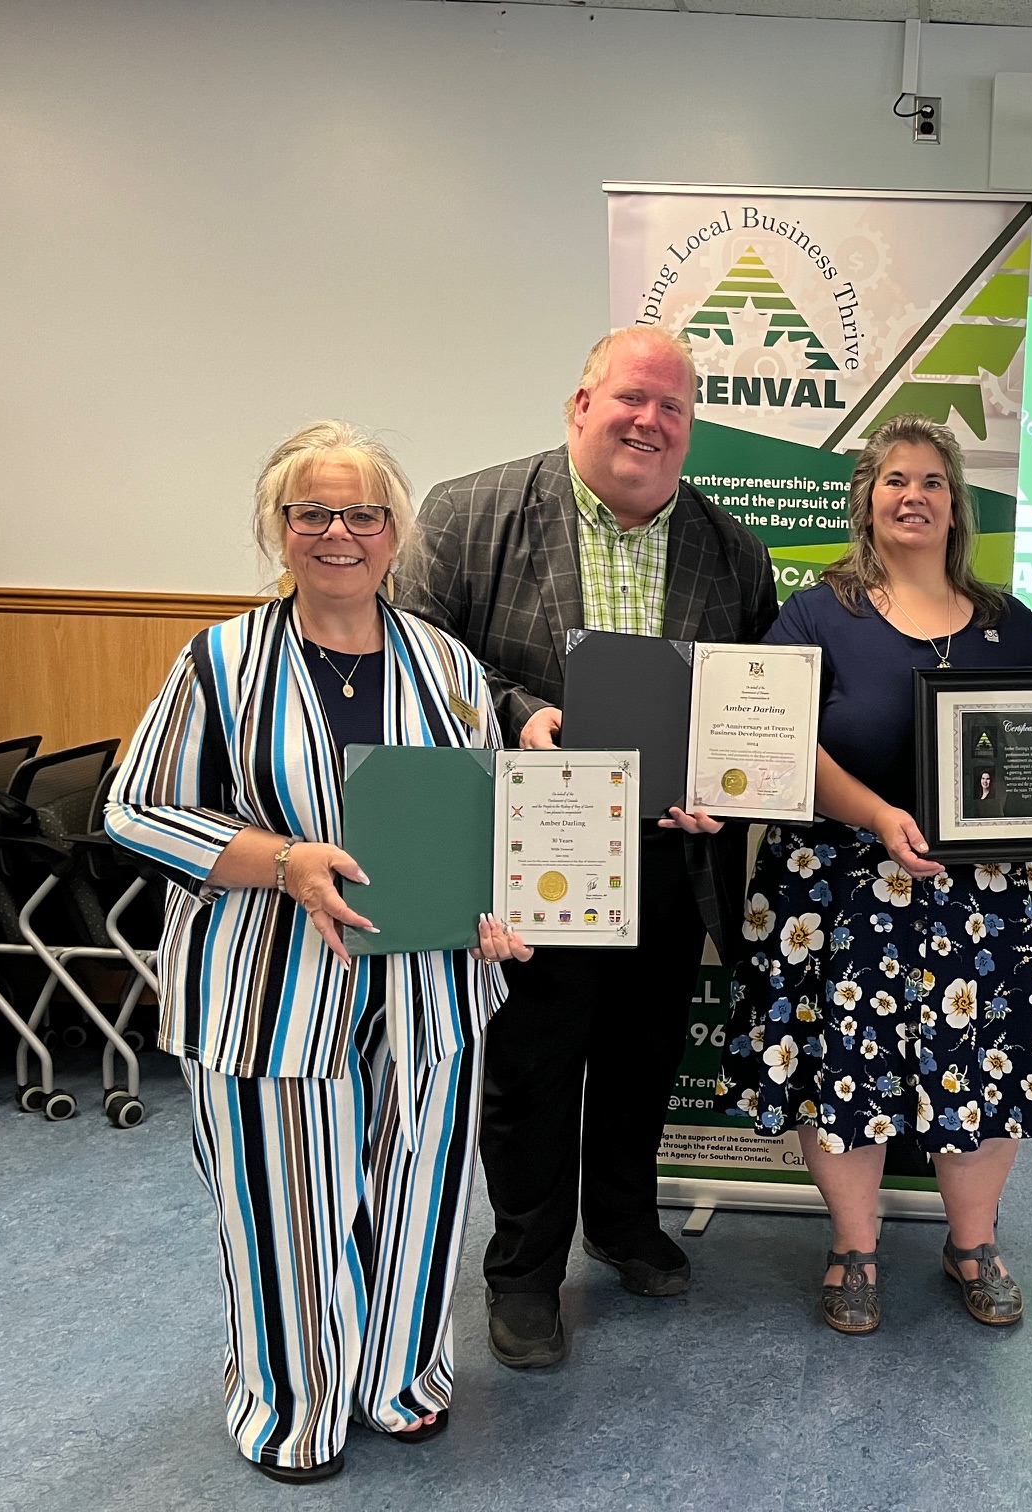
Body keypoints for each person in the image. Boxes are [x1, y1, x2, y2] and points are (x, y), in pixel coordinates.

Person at [105, 422, 532, 1484]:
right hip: (267, 986)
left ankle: (398, 1379)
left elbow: (488, 818)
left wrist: (498, 904)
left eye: (364, 514)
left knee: (421, 1188)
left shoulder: (448, 665)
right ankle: (291, 1405)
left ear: (397, 535)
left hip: (430, 983)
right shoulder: (220, 661)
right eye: (314, 513)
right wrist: (281, 858)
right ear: (279, 530)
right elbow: (138, 808)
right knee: (280, 1198)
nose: (339, 532)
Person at [400, 326, 777, 1369]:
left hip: (666, 857)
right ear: (579, 406)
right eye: (631, 399)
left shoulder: (731, 548)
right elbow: (415, 660)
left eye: (672, 408)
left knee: (643, 1058)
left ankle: (622, 1224)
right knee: (531, 1067)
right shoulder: (469, 514)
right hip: (533, 851)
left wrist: (725, 786)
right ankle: (523, 1272)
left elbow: (751, 708)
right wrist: (516, 710)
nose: (649, 422)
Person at [715, 414, 1032, 1335]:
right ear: (865, 503)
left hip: (981, 897)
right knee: (843, 1073)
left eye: (932, 482)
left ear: (957, 507)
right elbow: (776, 742)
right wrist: (878, 816)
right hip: (838, 883)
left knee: (985, 1073)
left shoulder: (1008, 621)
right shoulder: (815, 612)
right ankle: (853, 1248)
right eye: (893, 481)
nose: (913, 496)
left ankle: (973, 1244)